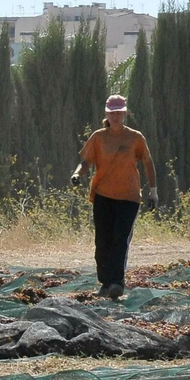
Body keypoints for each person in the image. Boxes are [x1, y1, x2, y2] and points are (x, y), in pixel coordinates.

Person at [70, 94, 157, 300]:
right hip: (103, 195)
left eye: (119, 113)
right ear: (107, 115)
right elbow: (86, 162)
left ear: (125, 113)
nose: (115, 116)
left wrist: (153, 191)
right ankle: (105, 283)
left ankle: (117, 283)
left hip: (128, 197)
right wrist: (76, 174)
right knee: (102, 241)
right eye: (112, 113)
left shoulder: (135, 138)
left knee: (120, 240)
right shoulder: (99, 137)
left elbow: (148, 162)